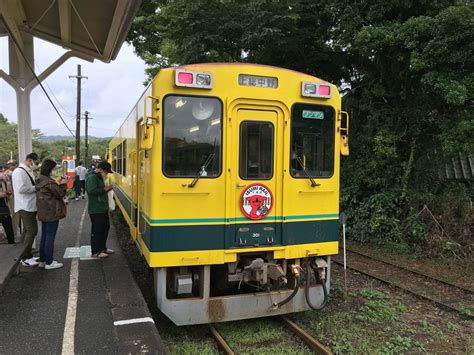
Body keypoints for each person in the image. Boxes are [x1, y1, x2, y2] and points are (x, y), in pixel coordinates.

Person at [36, 159, 67, 269]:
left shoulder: (40, 180)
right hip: (52, 212)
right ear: (50, 169)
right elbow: (60, 193)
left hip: (43, 212)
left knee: (44, 236)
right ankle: (49, 262)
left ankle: (43, 260)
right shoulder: (49, 182)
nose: (54, 170)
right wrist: (63, 184)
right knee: (50, 237)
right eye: (53, 168)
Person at [12, 153, 40, 266]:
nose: (36, 165)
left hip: (29, 204)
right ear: (29, 160)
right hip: (25, 205)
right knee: (32, 230)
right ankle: (25, 257)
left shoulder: (26, 170)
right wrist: (36, 187)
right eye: (36, 162)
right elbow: (21, 189)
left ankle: (22, 254)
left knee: (27, 231)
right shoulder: (19, 172)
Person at [85, 161, 114, 258]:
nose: (106, 174)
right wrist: (105, 189)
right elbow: (91, 190)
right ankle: (96, 251)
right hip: (96, 208)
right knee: (97, 230)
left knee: (105, 228)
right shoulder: (92, 177)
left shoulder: (98, 176)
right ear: (101, 169)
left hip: (102, 208)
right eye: (106, 172)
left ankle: (103, 248)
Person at [4, 161, 19, 240]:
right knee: (13, 216)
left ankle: (12, 234)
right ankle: (14, 234)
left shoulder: (8, 174)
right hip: (12, 198)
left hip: (10, 198)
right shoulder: (11, 174)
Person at [0, 171, 15, 244]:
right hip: (3, 209)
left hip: (4, 209)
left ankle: (11, 244)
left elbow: (9, 192)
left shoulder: (4, 181)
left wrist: (7, 193)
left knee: (9, 231)